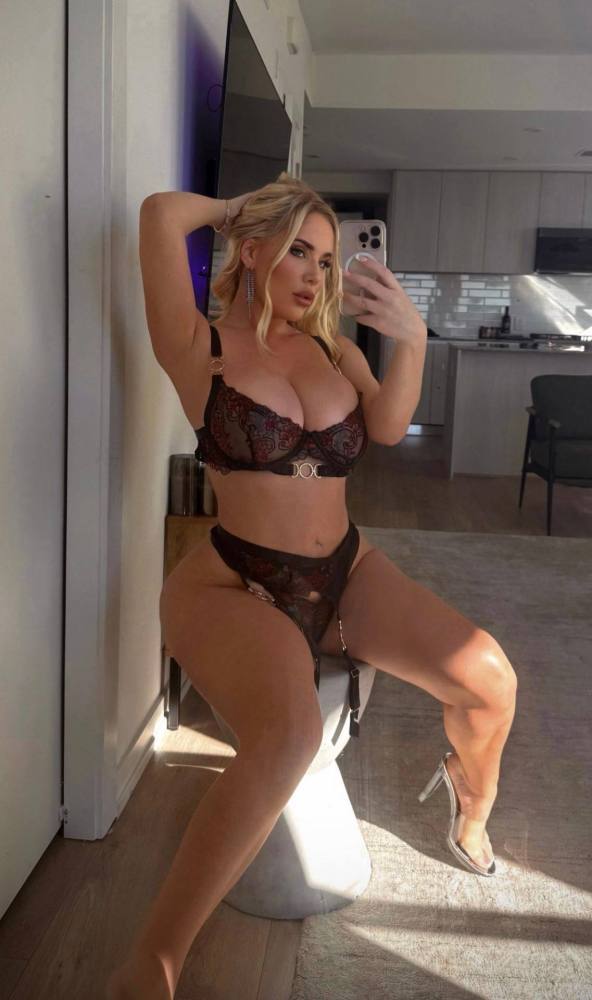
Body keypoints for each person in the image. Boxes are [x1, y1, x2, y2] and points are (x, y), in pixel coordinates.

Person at [107, 173, 517, 999]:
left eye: (326, 261)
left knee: (490, 679)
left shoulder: (335, 351)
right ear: (254, 251)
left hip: (346, 569)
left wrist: (414, 339)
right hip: (235, 580)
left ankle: (470, 810)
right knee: (289, 736)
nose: (315, 274)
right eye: (298, 251)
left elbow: (390, 426)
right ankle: (153, 964)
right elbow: (159, 214)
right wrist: (243, 212)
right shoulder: (198, 343)